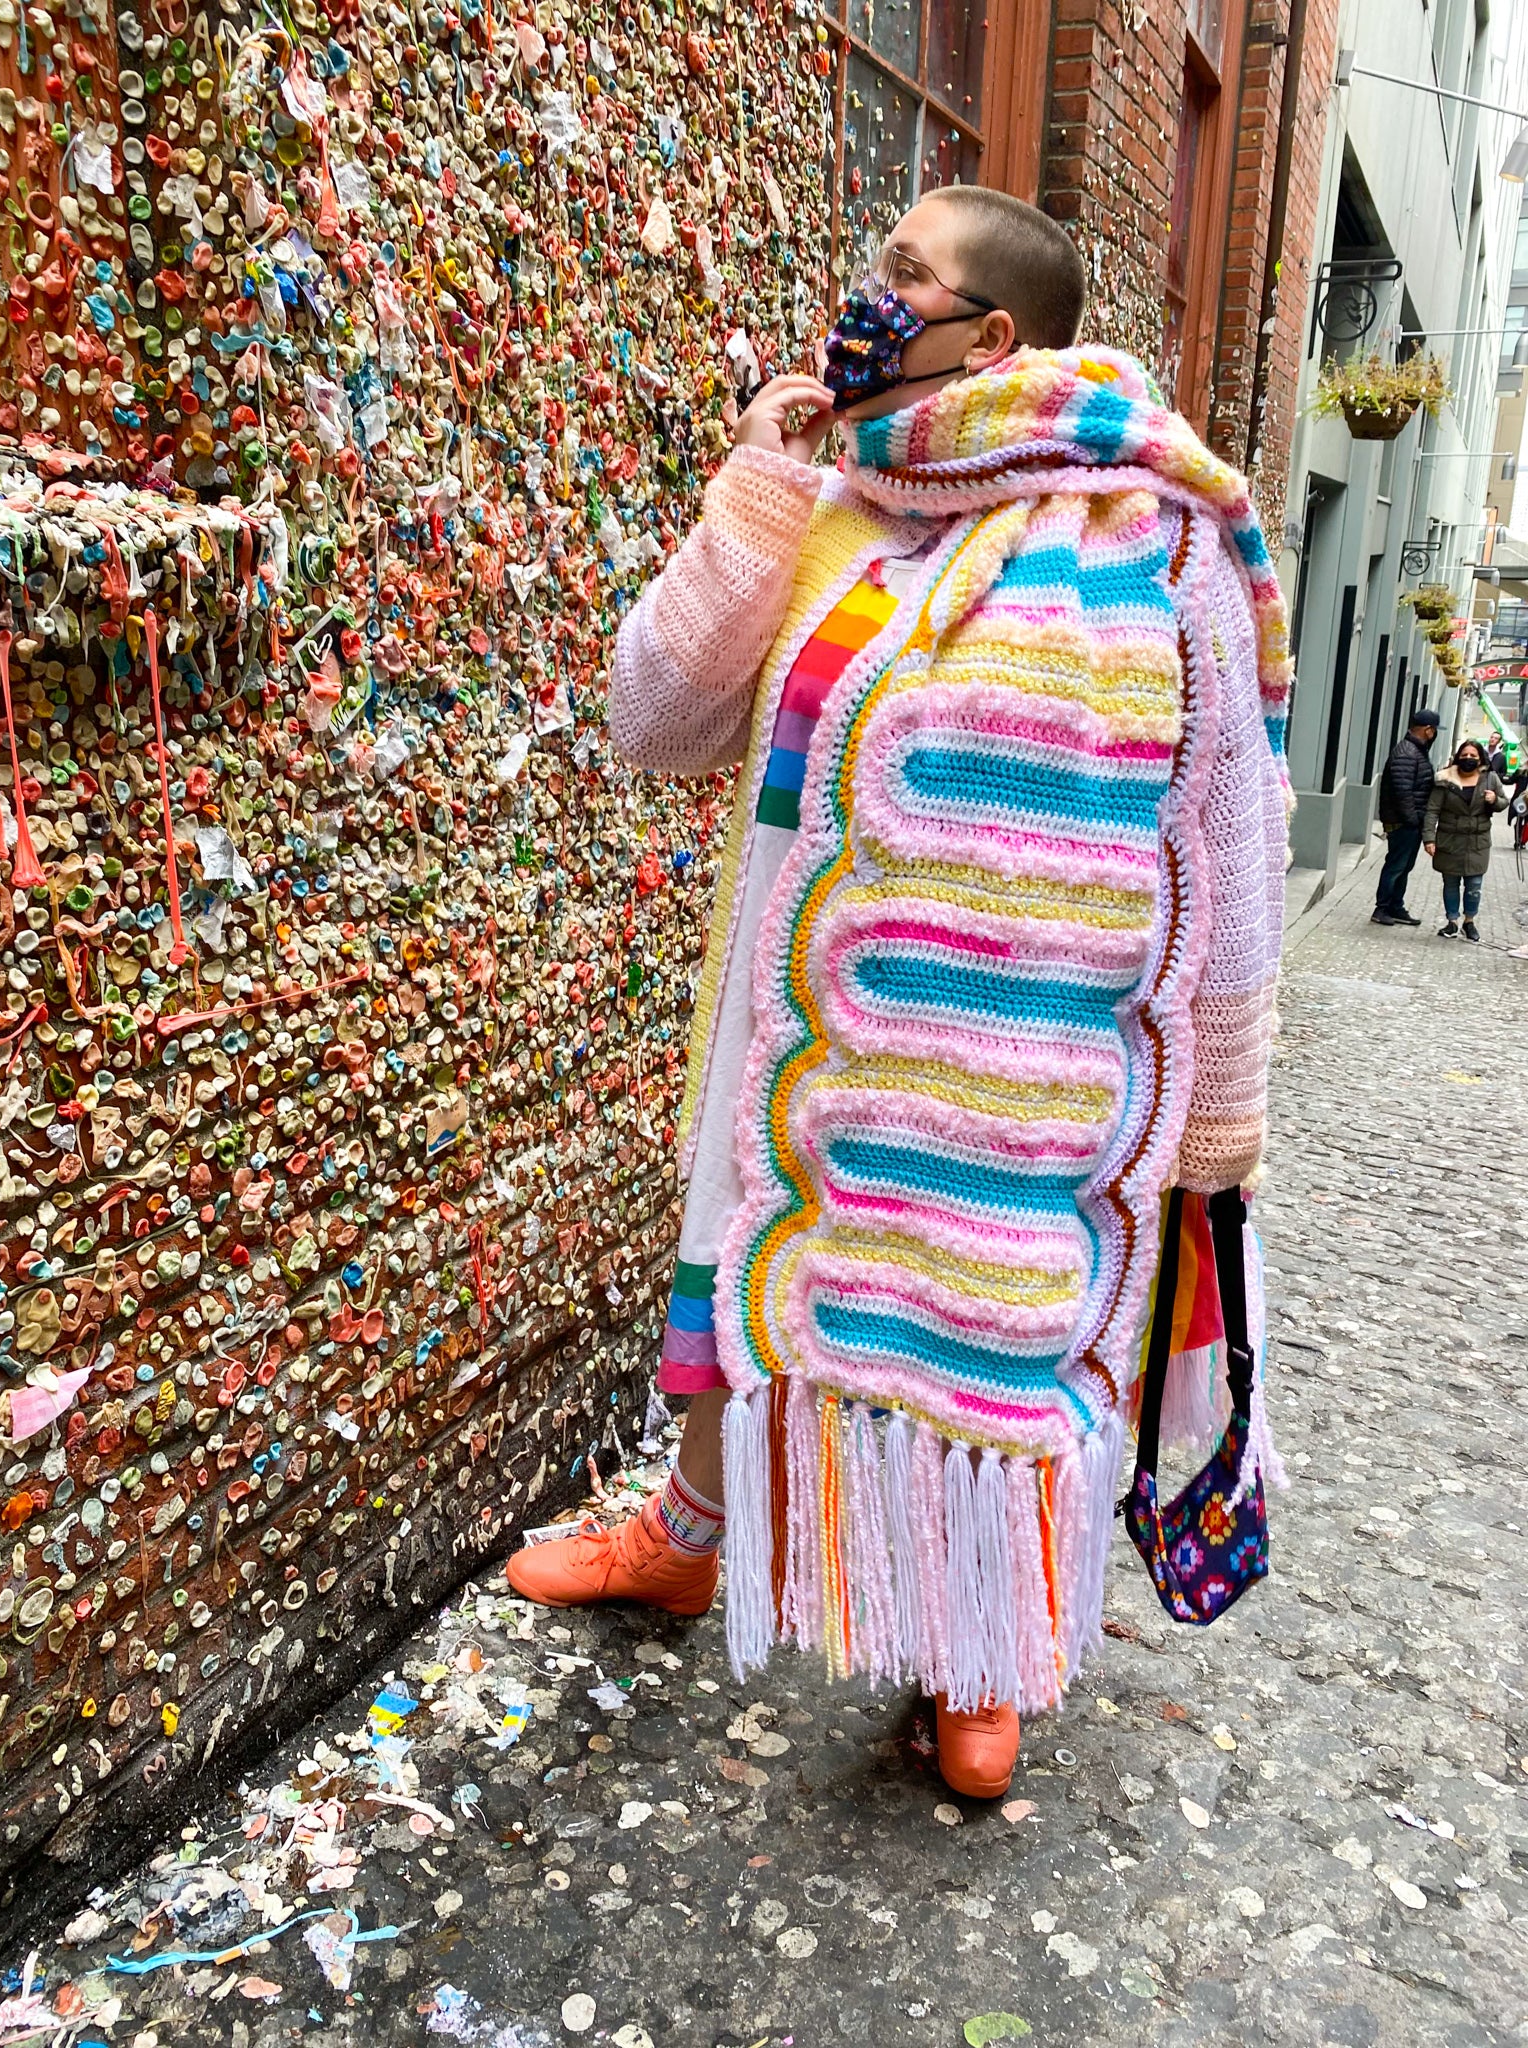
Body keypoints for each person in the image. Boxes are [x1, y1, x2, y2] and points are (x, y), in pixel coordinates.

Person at [507, 189, 1290, 1800]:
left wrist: (1220, 1106)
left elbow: (1229, 813)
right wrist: (762, 479)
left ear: (993, 336)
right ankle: (691, 1533)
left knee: (984, 1321)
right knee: (742, 1261)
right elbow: (653, 716)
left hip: (1023, 1071)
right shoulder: (837, 501)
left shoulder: (1155, 537)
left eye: (903, 276)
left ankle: (976, 1640)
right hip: (800, 1010)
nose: (867, 297)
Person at [1423, 737, 1506, 941]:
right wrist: (1429, 838)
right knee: (1450, 882)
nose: (1468, 758)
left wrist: (1494, 800)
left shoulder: (1490, 779)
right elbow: (1432, 810)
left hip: (1478, 842)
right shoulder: (1444, 779)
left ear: (1480, 758)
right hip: (1450, 839)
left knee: (1474, 885)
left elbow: (1504, 801)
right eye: (1465, 755)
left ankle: (1469, 922)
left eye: (1473, 755)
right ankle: (1452, 922)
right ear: (1458, 757)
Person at [1373, 708, 1440, 926]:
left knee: (1404, 866)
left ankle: (1395, 906)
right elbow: (1403, 792)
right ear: (1428, 730)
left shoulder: (1415, 751)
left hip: (1410, 822)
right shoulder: (1407, 753)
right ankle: (1381, 908)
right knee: (1396, 865)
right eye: (1434, 730)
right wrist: (1413, 821)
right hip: (1404, 823)